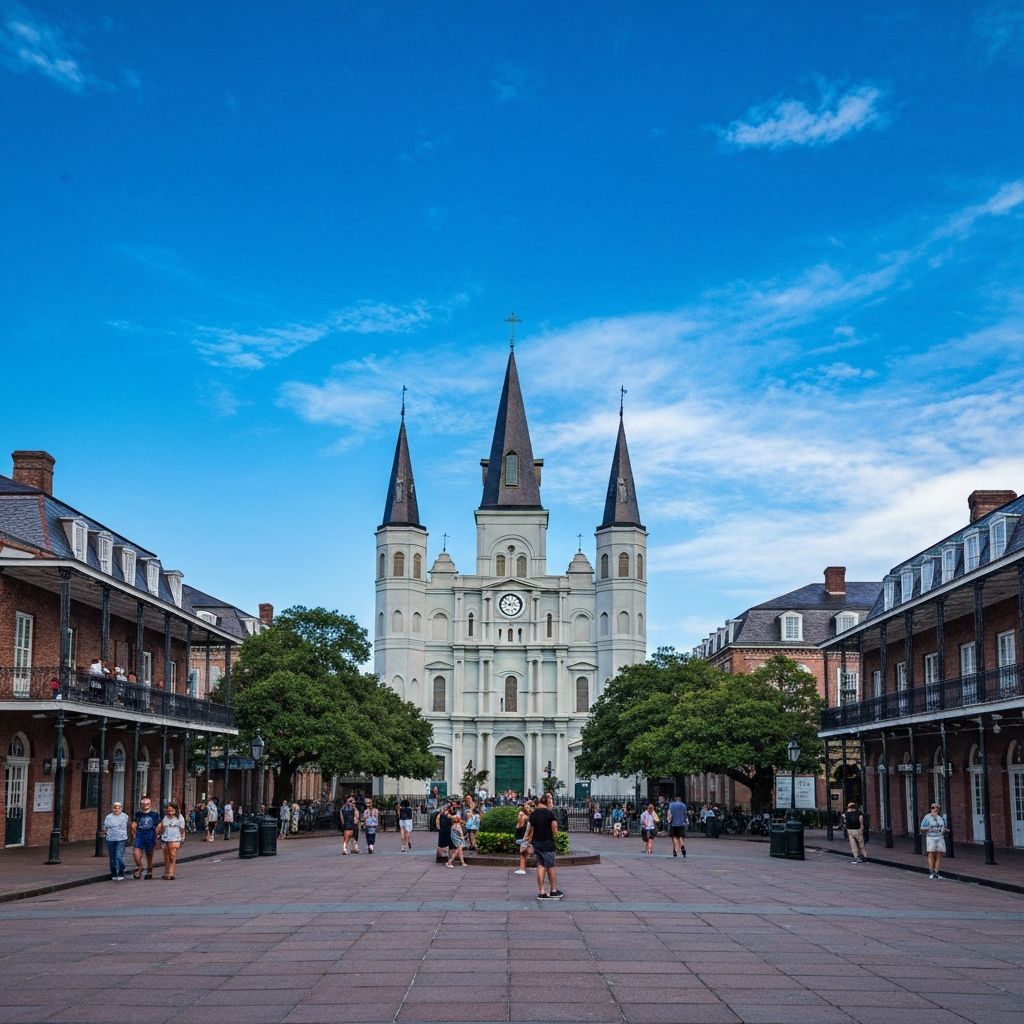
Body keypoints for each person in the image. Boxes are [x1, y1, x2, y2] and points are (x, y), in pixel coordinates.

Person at [524, 793, 563, 900]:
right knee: (551, 866)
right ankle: (554, 890)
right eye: (551, 803)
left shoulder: (534, 813)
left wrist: (527, 839)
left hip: (537, 842)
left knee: (541, 865)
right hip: (547, 842)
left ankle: (541, 891)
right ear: (548, 802)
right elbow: (554, 828)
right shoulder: (550, 814)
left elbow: (530, 829)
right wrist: (556, 835)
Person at [130, 795, 160, 879]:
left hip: (150, 836)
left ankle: (149, 871)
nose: (146, 805)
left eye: (147, 803)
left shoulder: (155, 815)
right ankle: (140, 866)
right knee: (136, 854)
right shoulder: (138, 814)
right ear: (141, 805)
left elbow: (159, 825)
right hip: (140, 836)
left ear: (150, 804)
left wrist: (157, 836)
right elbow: (134, 824)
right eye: (144, 804)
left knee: (149, 855)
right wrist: (134, 833)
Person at [156, 801, 186, 880]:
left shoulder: (180, 817)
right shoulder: (165, 817)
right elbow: (163, 827)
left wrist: (182, 838)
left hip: (175, 838)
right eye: (168, 810)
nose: (170, 812)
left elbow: (182, 829)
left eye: (171, 810)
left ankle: (171, 873)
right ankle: (166, 872)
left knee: (172, 855)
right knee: (166, 856)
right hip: (165, 838)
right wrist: (159, 835)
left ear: (175, 810)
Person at [103, 800, 130, 880]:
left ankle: (121, 872)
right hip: (110, 839)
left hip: (121, 839)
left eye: (118, 808)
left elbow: (126, 826)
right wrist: (104, 832)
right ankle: (114, 873)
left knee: (118, 856)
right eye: (114, 808)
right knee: (112, 857)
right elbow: (105, 827)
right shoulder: (108, 817)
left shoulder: (125, 816)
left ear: (121, 808)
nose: (116, 810)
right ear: (112, 808)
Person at [920, 803, 949, 879]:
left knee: (939, 854)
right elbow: (922, 828)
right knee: (931, 853)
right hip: (931, 837)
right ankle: (931, 872)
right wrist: (928, 828)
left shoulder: (940, 818)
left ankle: (936, 872)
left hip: (940, 837)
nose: (934, 809)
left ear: (938, 810)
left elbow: (943, 828)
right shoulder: (927, 817)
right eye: (933, 808)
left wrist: (944, 830)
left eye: (936, 808)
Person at [514, 803, 531, 875]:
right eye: (519, 815)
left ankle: (522, 869)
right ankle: (522, 868)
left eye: (521, 815)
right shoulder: (522, 820)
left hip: (524, 838)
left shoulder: (527, 819)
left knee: (522, 852)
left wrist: (527, 837)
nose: (519, 816)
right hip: (521, 838)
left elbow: (528, 830)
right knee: (522, 853)